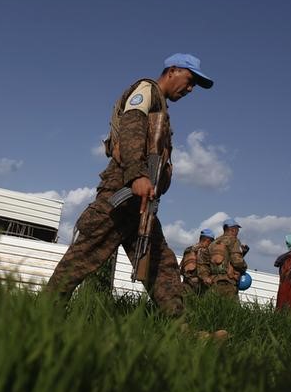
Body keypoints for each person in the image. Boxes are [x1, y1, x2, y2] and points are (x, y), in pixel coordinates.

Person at [44, 53, 214, 317]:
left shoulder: (161, 105)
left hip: (141, 201)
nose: (190, 89)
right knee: (82, 257)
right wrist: (137, 175)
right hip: (121, 193)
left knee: (160, 263)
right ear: (172, 71)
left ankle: (182, 330)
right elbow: (132, 126)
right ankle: (43, 316)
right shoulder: (147, 90)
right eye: (190, 80)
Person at [197, 218, 249, 300]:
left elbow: (203, 263)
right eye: (237, 229)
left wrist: (205, 277)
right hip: (229, 283)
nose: (238, 231)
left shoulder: (213, 244)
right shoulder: (234, 241)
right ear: (232, 229)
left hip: (213, 283)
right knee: (232, 311)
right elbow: (237, 261)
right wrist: (244, 268)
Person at [179, 228, 215, 295]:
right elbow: (202, 269)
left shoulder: (188, 249)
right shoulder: (203, 251)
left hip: (186, 285)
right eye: (212, 241)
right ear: (207, 240)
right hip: (198, 287)